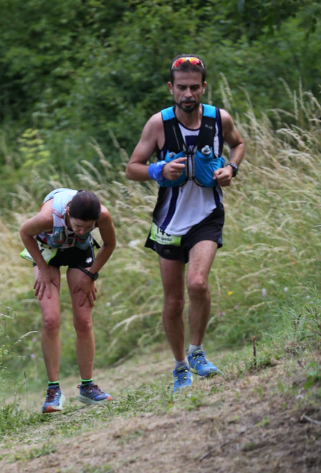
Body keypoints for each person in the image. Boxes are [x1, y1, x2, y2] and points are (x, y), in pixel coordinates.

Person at [126, 54, 246, 393]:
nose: (188, 94)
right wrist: (157, 171)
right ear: (171, 88)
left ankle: (197, 352)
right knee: (174, 299)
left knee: (197, 283)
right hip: (168, 220)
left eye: (194, 87)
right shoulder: (158, 125)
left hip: (207, 216)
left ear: (204, 87)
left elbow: (238, 144)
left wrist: (231, 169)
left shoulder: (218, 119)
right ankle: (180, 367)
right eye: (182, 88)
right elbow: (132, 167)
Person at [19, 188, 117, 412]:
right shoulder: (48, 216)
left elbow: (110, 244)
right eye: (78, 225)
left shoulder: (103, 215)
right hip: (49, 250)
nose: (83, 230)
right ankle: (53, 391)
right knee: (50, 320)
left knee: (83, 321)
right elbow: (24, 233)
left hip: (78, 252)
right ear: (68, 212)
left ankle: (88, 387)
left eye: (88, 227)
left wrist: (92, 275)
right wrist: (42, 268)